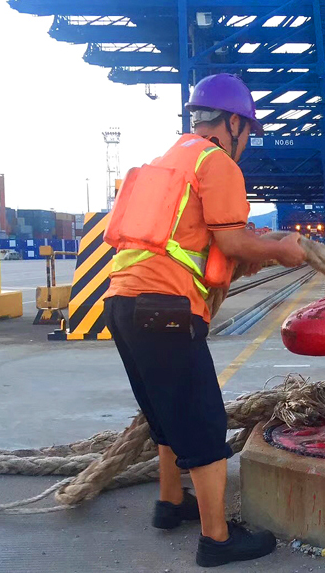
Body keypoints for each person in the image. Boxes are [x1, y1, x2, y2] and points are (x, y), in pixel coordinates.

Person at [102, 73, 306, 567]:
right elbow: (233, 244)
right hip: (166, 310)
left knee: (167, 414)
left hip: (122, 305)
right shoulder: (216, 163)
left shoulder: (164, 162)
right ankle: (217, 540)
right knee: (203, 420)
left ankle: (170, 503)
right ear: (233, 122)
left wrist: (254, 249)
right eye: (249, 132)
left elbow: (201, 239)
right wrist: (283, 249)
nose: (248, 143)